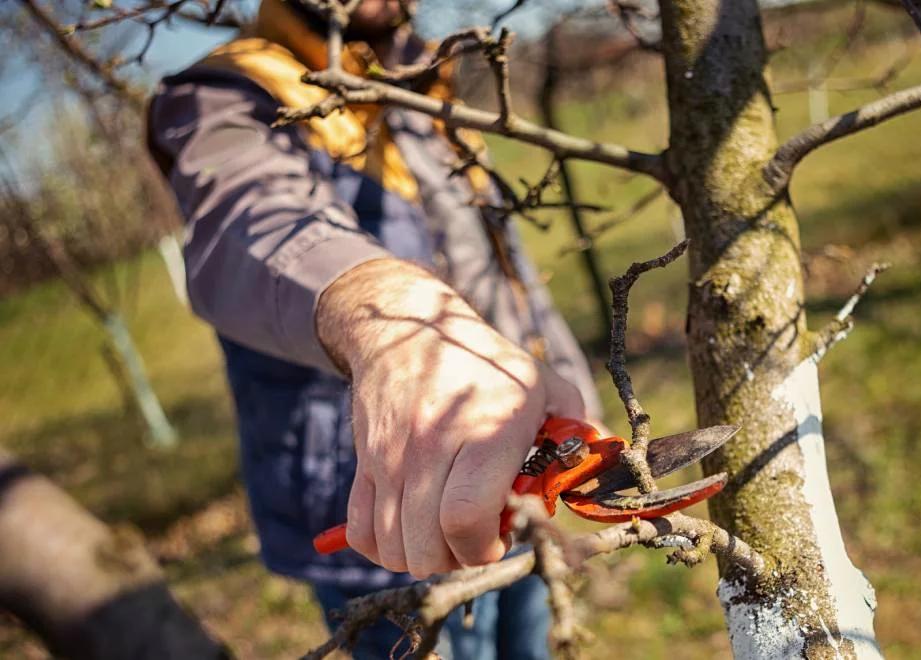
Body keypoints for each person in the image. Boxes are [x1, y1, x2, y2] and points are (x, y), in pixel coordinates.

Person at [146, 0, 603, 657]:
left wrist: (577, 406)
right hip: (390, 525)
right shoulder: (221, 97)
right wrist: (394, 321)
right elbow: (254, 217)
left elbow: (503, 279)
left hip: (518, 471)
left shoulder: (422, 83)